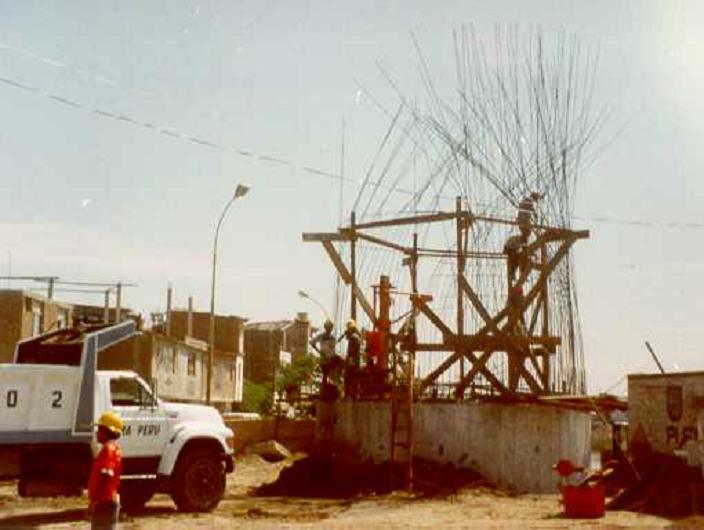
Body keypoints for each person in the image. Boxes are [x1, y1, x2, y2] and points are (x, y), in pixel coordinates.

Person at [88, 411, 124, 530]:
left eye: (100, 429)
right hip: (107, 500)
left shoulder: (109, 449)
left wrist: (95, 500)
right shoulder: (114, 448)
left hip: (104, 501)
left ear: (108, 431)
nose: (97, 432)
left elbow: (106, 475)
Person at [309, 319, 337, 386]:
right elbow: (312, 342)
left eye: (330, 328)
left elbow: (333, 348)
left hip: (331, 358)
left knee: (332, 376)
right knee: (325, 375)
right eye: (327, 327)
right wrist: (319, 351)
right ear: (325, 328)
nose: (329, 329)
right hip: (324, 358)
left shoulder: (332, 337)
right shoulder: (321, 336)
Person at [339, 319, 362, 398]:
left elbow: (352, 351)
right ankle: (354, 394)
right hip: (356, 360)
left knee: (348, 377)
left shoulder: (353, 337)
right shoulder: (356, 337)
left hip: (353, 360)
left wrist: (348, 361)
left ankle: (348, 394)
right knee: (354, 378)